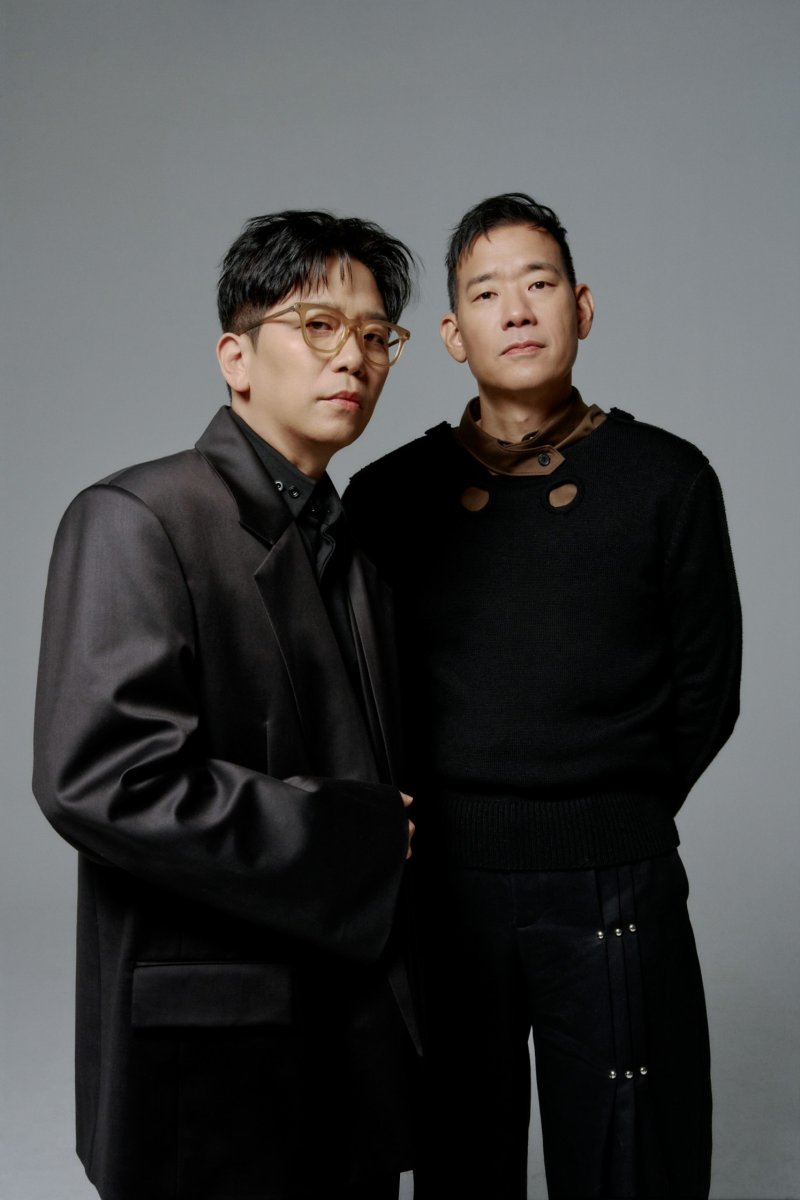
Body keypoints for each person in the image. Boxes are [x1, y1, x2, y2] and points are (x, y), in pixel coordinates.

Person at [343, 193, 741, 1199]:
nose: (516, 309)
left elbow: (707, 688)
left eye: (539, 283)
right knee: (457, 1159)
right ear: (450, 334)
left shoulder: (666, 479)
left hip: (616, 880)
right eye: (486, 293)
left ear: (582, 307)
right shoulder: (387, 497)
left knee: (633, 1161)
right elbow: (358, 694)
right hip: (440, 882)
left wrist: (608, 812)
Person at [33, 210, 420, 1200]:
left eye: (376, 335)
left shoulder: (361, 554)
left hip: (352, 1049)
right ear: (234, 358)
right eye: (318, 326)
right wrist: (355, 834)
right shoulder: (137, 517)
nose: (354, 358)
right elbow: (101, 778)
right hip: (205, 1061)